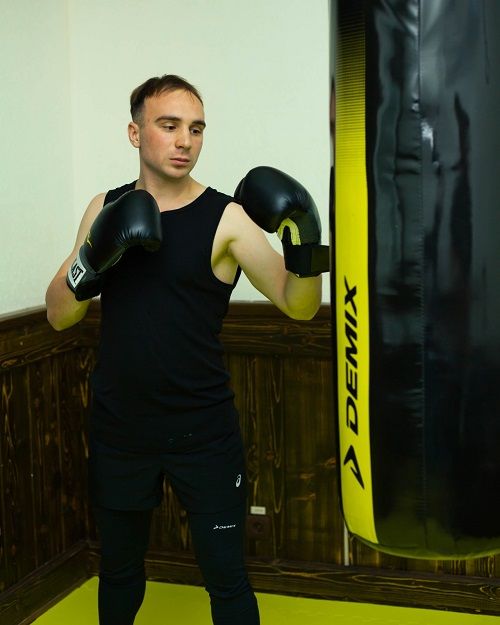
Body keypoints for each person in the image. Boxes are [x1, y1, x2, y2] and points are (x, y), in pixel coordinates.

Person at [45, 74, 326, 625]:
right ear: (135, 133)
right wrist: (91, 262)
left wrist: (305, 239)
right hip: (120, 429)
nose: (185, 141)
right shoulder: (105, 208)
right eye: (169, 125)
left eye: (196, 129)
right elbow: (59, 315)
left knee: (227, 580)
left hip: (203, 431)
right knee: (119, 573)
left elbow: (299, 307)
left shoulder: (227, 217)